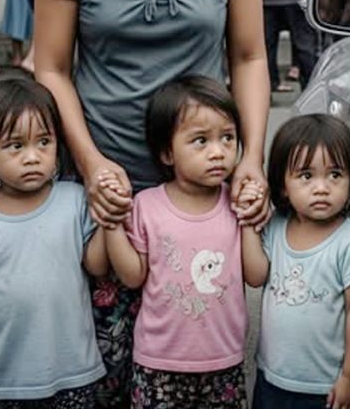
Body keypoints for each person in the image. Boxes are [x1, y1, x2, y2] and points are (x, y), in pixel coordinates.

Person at [29, 0, 271, 408]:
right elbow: (49, 66)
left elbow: (249, 56)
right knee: (100, 366)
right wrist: (91, 162)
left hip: (201, 190)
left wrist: (250, 158)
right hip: (107, 188)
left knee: (198, 355)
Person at [102, 76, 266, 408]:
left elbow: (257, 275)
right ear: (166, 152)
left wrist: (248, 219)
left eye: (228, 138)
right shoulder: (146, 205)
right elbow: (133, 275)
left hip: (224, 362)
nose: (218, 152)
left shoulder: (235, 203)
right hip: (158, 362)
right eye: (201, 140)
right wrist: (111, 223)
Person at [0, 78, 107, 406]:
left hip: (74, 373)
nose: (32, 157)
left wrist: (109, 221)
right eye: (15, 145)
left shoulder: (75, 200)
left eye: (44, 142)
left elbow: (96, 266)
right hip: (4, 379)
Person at [241, 114, 350, 409]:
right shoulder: (276, 227)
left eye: (335, 174)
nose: (322, 187)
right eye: (306, 176)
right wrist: (248, 223)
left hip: (324, 387)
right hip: (272, 375)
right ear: (283, 185)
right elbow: (255, 276)